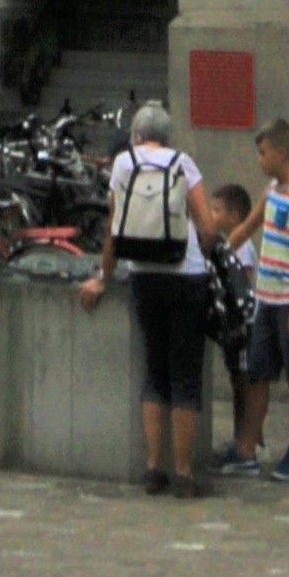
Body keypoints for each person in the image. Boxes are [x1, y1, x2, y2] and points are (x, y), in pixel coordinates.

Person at [76, 97, 229, 497]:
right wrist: (207, 252)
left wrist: (104, 278)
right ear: (167, 135)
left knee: (155, 372)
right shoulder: (183, 163)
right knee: (186, 376)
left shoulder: (123, 163)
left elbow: (113, 228)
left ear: (137, 134)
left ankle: (153, 468)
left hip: (144, 275)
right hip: (186, 276)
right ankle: (184, 474)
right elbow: (207, 228)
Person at [232, 116, 289, 481]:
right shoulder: (271, 191)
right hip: (265, 299)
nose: (260, 159)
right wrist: (218, 251)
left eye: (264, 152)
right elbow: (247, 227)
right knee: (258, 373)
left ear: (282, 153)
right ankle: (246, 450)